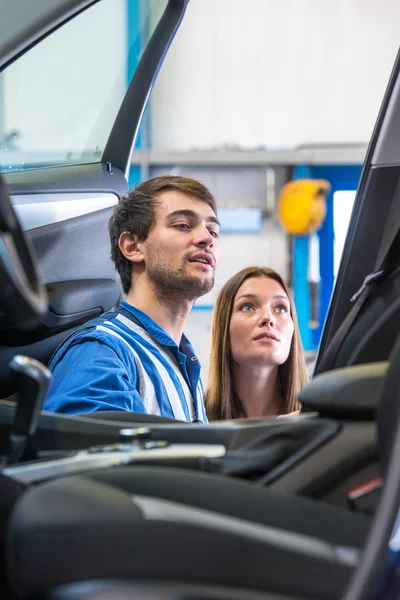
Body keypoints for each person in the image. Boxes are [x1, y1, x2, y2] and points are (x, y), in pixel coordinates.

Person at [43, 175, 220, 422]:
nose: (207, 239)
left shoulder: (185, 367)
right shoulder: (101, 352)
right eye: (182, 225)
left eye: (213, 230)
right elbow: (93, 457)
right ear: (132, 247)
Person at [205, 266, 308, 421]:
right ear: (224, 325)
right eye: (247, 307)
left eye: (280, 308)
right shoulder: (192, 417)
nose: (268, 318)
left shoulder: (319, 419)